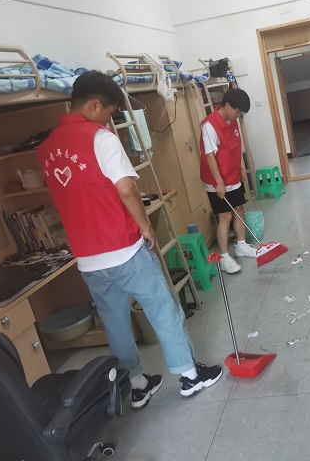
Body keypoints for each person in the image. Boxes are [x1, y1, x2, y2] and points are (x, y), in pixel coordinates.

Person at [37, 71, 222, 410]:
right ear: (95, 105)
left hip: (88, 260)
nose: (109, 121)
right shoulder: (100, 138)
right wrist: (145, 226)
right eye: (109, 113)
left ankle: (136, 385)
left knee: (116, 325)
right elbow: (125, 189)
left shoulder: (47, 149)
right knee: (163, 310)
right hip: (124, 249)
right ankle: (190, 376)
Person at [199, 88, 257, 274]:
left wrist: (240, 169)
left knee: (239, 209)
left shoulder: (233, 121)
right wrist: (219, 183)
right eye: (237, 111)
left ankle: (241, 245)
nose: (238, 115)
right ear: (227, 105)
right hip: (216, 180)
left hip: (232, 176)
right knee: (225, 216)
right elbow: (210, 156)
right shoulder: (209, 126)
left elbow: (233, 148)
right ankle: (224, 257)